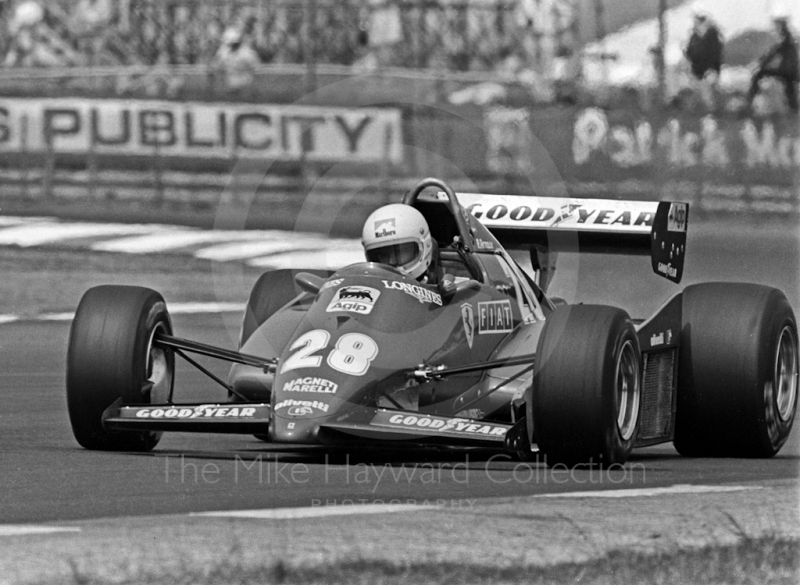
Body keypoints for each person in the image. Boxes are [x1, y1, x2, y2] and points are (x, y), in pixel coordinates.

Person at [361, 204, 438, 283]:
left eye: (400, 251)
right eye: (384, 255)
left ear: (426, 245)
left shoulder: (444, 286)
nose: (391, 261)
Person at [748, 16, 799, 113]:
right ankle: (794, 109)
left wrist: (761, 63)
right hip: (793, 71)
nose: (775, 29)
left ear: (781, 27)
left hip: (786, 71)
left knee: (758, 75)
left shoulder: (785, 39)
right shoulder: (790, 38)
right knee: (790, 88)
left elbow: (772, 53)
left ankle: (750, 101)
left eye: (777, 26)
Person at [684, 12, 723, 110]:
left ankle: (710, 110)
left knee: (706, 90)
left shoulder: (712, 36)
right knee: (696, 90)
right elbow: (689, 53)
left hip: (709, 71)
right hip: (696, 71)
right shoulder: (694, 36)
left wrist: (711, 70)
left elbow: (715, 56)